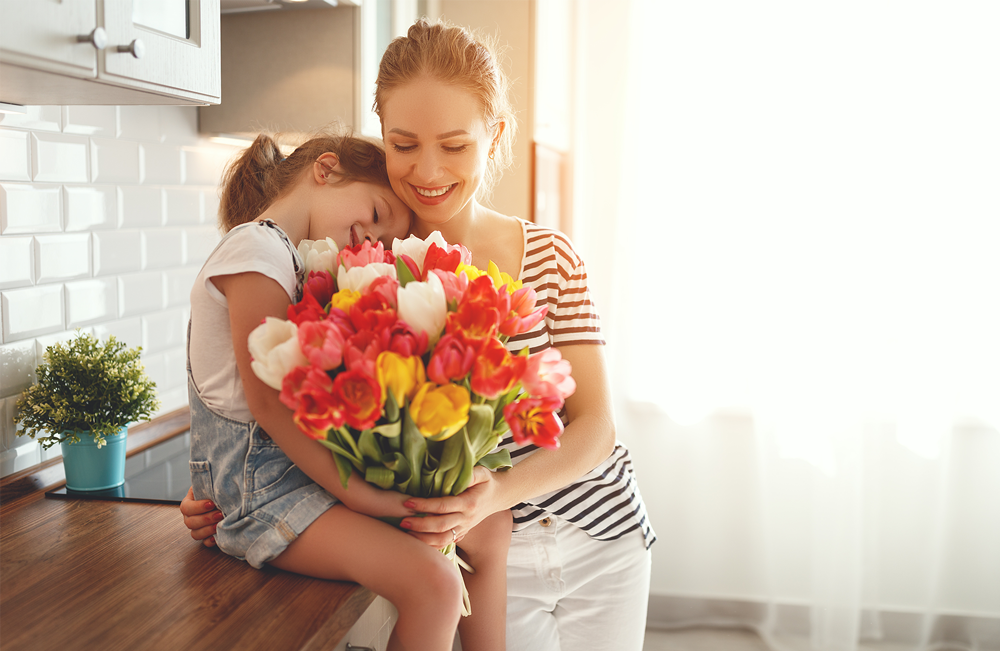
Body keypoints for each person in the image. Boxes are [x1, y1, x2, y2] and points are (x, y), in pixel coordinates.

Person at [183, 18, 656, 651]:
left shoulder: (550, 255)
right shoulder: (351, 270)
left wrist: (493, 495)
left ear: (496, 136)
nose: (427, 168)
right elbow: (289, 401)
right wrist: (213, 483)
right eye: (404, 144)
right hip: (484, 551)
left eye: (455, 144)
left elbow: (596, 428)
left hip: (601, 536)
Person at [185, 127, 511, 651]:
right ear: (326, 168)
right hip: (265, 493)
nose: (370, 242)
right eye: (378, 213)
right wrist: (365, 497)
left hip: (297, 478)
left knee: (490, 529)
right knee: (436, 585)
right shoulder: (256, 247)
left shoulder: (293, 257)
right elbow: (265, 406)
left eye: (383, 240)